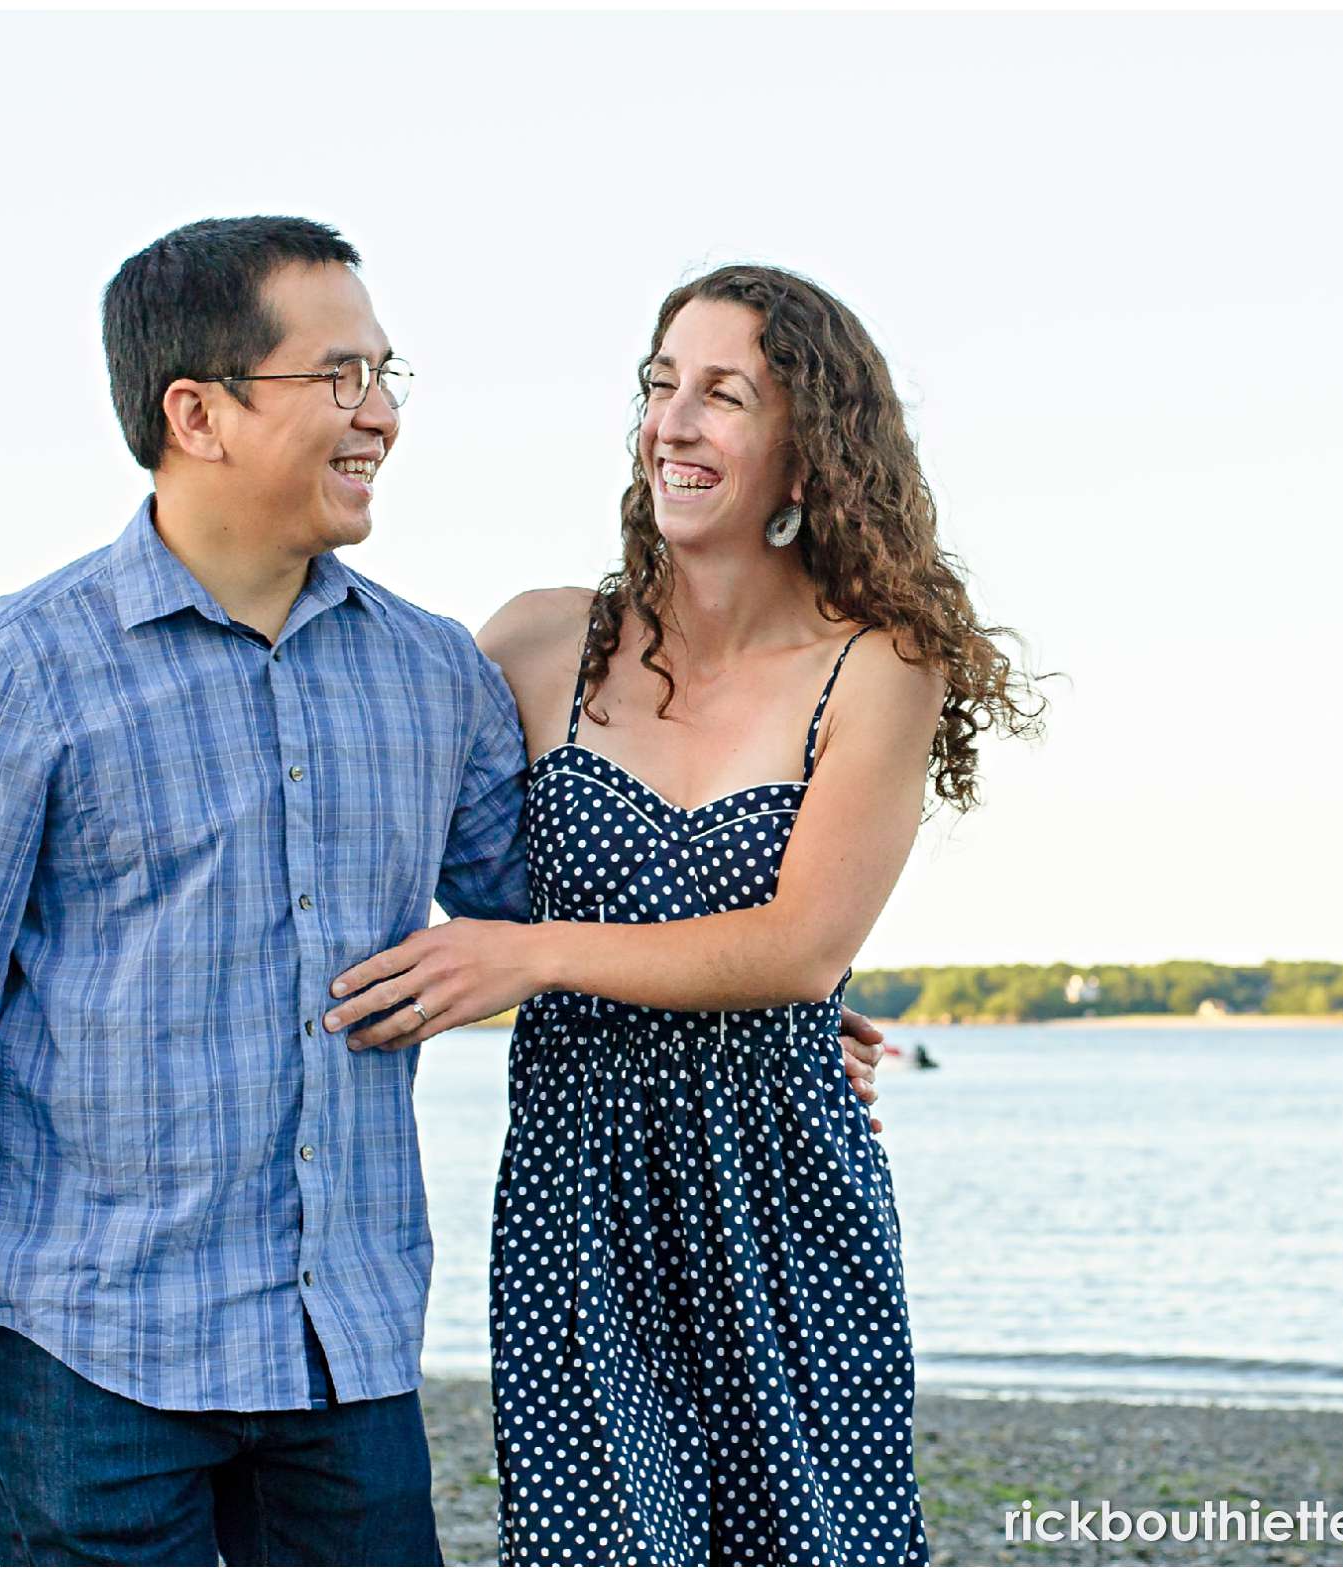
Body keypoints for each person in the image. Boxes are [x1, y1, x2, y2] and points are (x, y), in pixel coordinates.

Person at [0, 218, 887, 1566]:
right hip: (87, 1342)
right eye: (338, 379)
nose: (379, 415)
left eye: (387, 376)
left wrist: (773, 1007)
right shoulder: (18, 672)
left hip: (347, 1347)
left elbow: (552, 923)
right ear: (195, 411)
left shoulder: (435, 674)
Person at [322, 265, 1046, 1563]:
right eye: (661, 386)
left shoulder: (879, 661)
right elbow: (347, 828)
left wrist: (546, 956)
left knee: (823, 1544)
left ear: (809, 449)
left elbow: (800, 942)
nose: (673, 422)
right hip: (579, 1190)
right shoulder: (539, 647)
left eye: (723, 394)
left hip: (787, 1186)